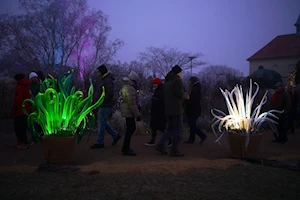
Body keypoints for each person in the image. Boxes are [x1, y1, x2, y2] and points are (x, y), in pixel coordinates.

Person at [155, 65, 189, 157]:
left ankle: (161, 145)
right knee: (178, 130)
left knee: (169, 129)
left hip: (168, 109)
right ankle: (174, 150)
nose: (181, 74)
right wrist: (186, 95)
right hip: (176, 109)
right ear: (178, 72)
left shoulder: (167, 81)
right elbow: (179, 93)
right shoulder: (177, 81)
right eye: (181, 72)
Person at [91, 64, 121, 149]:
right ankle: (115, 135)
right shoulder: (105, 79)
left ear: (101, 71)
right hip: (103, 104)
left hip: (104, 105)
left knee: (101, 123)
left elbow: (109, 93)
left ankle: (100, 142)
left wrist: (101, 101)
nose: (97, 73)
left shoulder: (107, 80)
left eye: (98, 71)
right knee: (103, 122)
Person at [144, 78, 172, 147]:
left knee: (161, 128)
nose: (153, 85)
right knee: (155, 127)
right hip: (156, 112)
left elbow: (161, 102)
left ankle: (170, 140)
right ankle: (153, 140)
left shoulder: (160, 91)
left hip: (159, 112)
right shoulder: (159, 90)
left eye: (154, 83)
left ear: (157, 84)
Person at [120, 70, 141, 156]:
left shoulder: (125, 86)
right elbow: (132, 103)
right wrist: (137, 115)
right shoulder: (130, 88)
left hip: (127, 110)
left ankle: (126, 147)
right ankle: (126, 148)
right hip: (129, 111)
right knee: (131, 129)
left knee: (130, 128)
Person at [185, 76, 207, 144]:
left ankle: (202, 135)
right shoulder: (197, 88)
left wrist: (187, 102)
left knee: (192, 124)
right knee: (192, 124)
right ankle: (192, 139)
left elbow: (192, 101)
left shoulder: (193, 90)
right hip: (195, 110)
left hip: (192, 110)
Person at [12, 73, 31, 149]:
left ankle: (21, 142)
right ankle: (24, 141)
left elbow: (18, 99)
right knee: (23, 127)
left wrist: (14, 107)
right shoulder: (27, 86)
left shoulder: (19, 87)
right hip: (26, 110)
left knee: (18, 127)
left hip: (19, 110)